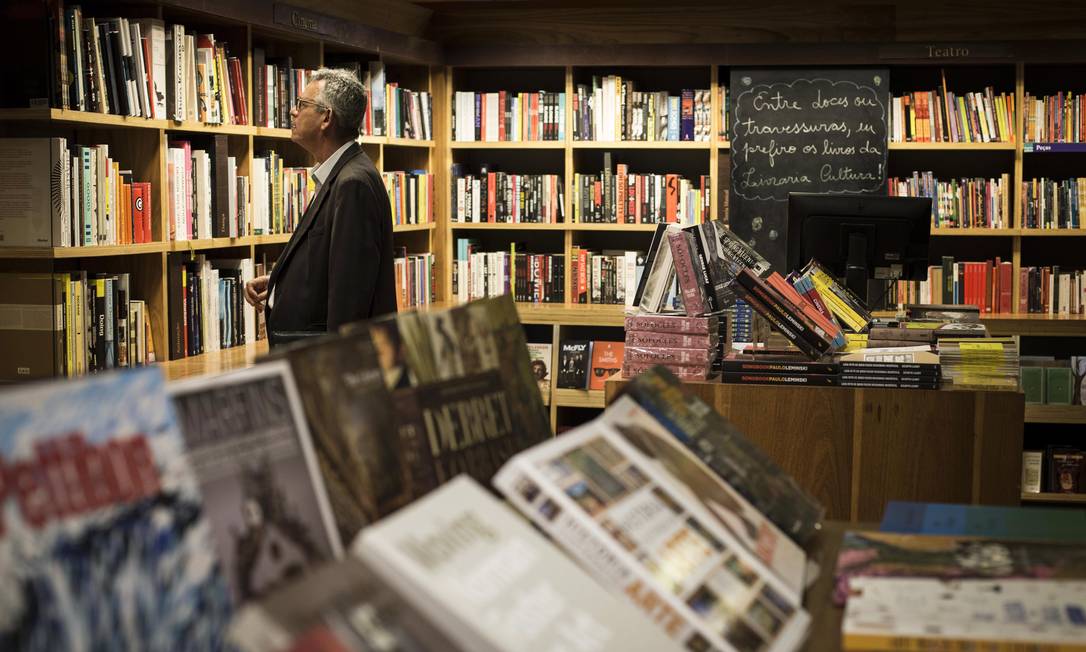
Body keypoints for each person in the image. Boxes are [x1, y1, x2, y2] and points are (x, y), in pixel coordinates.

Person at [244, 68, 397, 345]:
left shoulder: (353, 184)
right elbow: (332, 264)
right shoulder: (339, 174)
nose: (293, 111)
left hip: (322, 363)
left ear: (326, 117)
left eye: (302, 105)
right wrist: (282, 281)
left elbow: (350, 299)